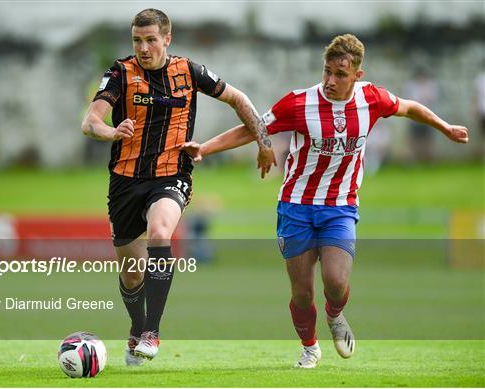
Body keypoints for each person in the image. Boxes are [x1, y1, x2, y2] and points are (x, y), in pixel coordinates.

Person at [181, 34, 469, 369]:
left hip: (340, 207)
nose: (331, 81)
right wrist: (205, 147)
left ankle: (335, 315)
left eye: (340, 74)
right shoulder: (298, 103)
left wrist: (444, 126)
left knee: (335, 282)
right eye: (327, 72)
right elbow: (254, 127)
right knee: (302, 292)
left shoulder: (372, 99)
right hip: (295, 207)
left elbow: (409, 107)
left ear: (357, 75)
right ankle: (309, 347)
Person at [81, 8, 275, 365]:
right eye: (137, 40)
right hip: (125, 179)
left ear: (167, 39)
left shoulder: (189, 71)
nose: (143, 47)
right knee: (131, 272)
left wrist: (263, 144)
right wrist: (112, 130)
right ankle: (138, 327)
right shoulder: (120, 73)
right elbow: (90, 122)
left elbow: (240, 100)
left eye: (151, 40)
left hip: (172, 174)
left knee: (159, 233)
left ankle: (152, 331)